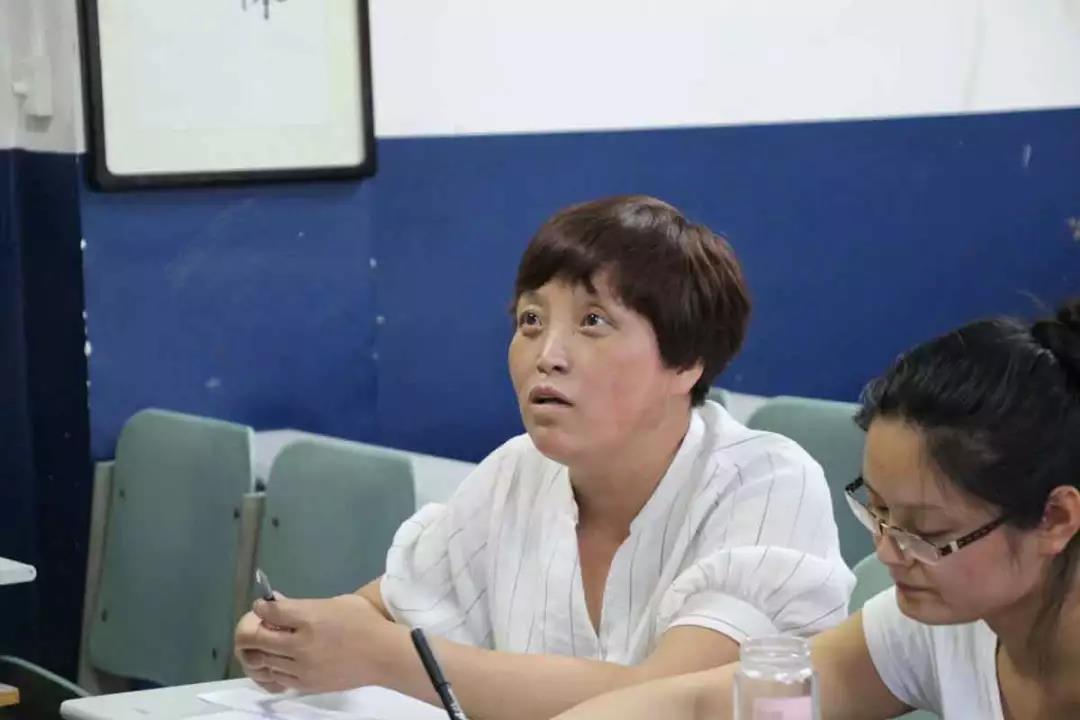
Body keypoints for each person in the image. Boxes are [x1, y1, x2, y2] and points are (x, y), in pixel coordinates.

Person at [234, 195, 853, 720]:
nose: (547, 354)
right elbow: (390, 602)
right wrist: (302, 632)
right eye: (530, 320)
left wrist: (385, 656)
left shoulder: (765, 482)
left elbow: (669, 701)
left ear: (686, 363)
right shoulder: (517, 471)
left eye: (593, 321)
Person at [556, 300, 1080, 720]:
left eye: (928, 531)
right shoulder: (935, 629)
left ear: (1055, 519)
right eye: (877, 510)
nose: (888, 552)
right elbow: (702, 705)